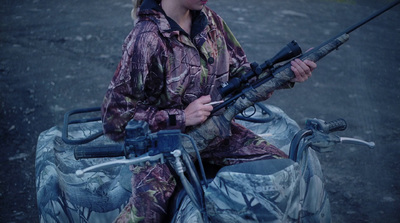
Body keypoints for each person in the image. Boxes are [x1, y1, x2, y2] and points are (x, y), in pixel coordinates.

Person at [101, 0, 316, 222]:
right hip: (160, 147)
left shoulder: (211, 22)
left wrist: (285, 75)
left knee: (279, 173)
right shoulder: (145, 38)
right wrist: (182, 117)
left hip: (214, 133)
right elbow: (114, 119)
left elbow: (242, 76)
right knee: (145, 217)